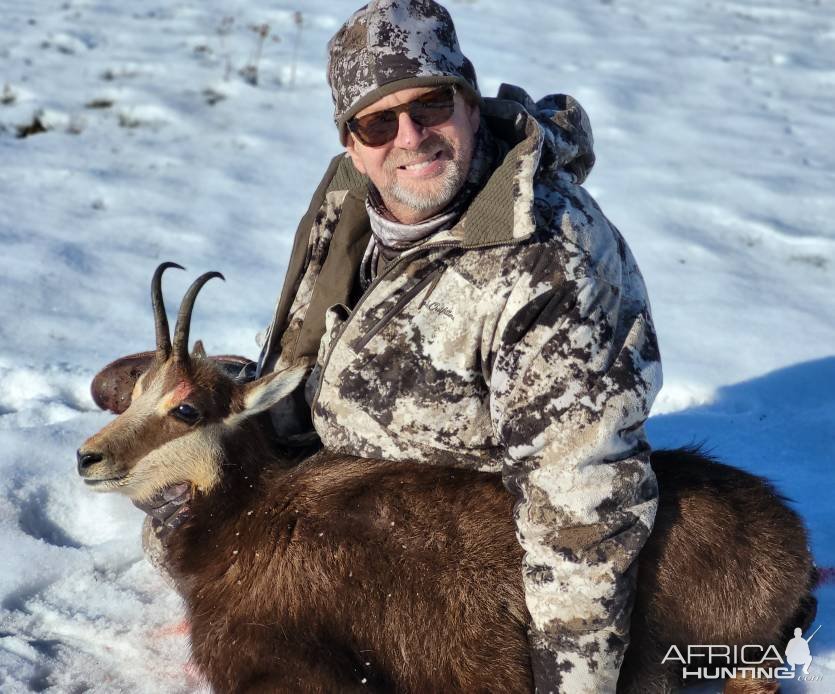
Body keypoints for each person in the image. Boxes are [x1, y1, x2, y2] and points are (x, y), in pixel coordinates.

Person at [123, 1, 663, 691]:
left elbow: (581, 506)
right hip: (346, 487)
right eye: (378, 121)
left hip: (452, 539)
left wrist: (570, 682)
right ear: (351, 139)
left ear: (469, 105)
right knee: (170, 523)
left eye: (431, 105)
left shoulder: (548, 262)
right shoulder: (353, 191)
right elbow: (301, 346)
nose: (410, 137)